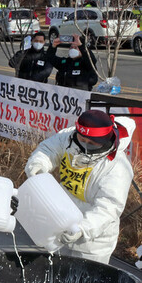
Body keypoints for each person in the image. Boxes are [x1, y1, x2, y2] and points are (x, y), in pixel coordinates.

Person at [25, 110, 134, 263]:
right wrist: (38, 165)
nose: (85, 145)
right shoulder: (70, 136)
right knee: (52, 275)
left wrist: (83, 228)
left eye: (92, 143)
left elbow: (109, 208)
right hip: (60, 219)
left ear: (105, 140)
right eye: (82, 139)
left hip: (93, 244)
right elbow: (48, 150)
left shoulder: (117, 167)